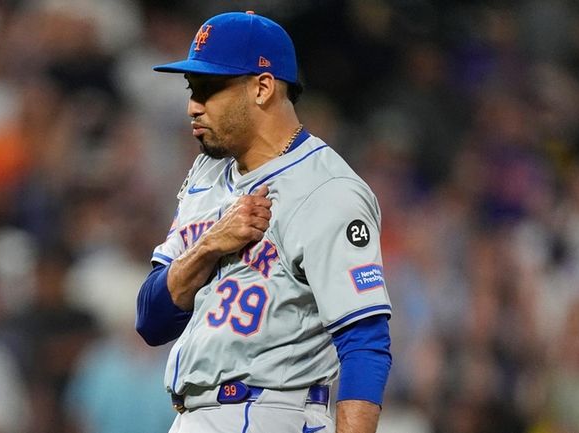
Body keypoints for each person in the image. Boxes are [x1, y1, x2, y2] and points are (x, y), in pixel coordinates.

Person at [136, 11, 392, 433]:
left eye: (209, 89)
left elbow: (365, 342)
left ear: (262, 86)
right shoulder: (207, 173)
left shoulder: (328, 190)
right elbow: (152, 319)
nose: (192, 107)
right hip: (192, 415)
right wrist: (210, 245)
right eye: (191, 89)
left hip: (270, 411)